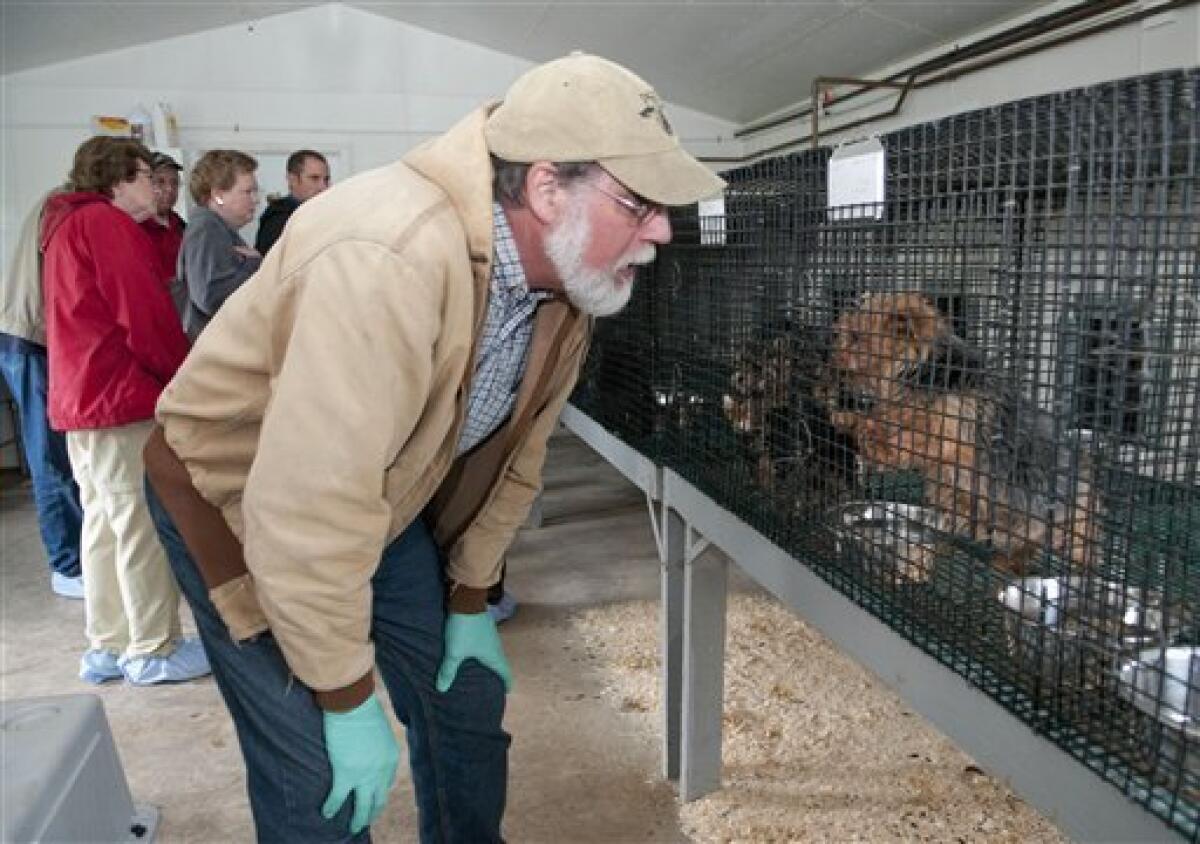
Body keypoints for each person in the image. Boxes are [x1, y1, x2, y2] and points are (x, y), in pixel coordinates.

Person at [143, 52, 724, 841]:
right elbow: (309, 508)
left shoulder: (567, 291)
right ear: (549, 188)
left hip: (380, 495)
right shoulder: (386, 255)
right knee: (319, 777)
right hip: (243, 500)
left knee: (467, 700)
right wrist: (347, 699)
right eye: (640, 204)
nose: (660, 231)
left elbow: (516, 460)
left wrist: (469, 596)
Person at [40, 136, 211, 686]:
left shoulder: (66, 225)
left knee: (104, 524)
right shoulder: (108, 225)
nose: (154, 187)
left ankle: (109, 642)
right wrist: (184, 377)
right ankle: (152, 647)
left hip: (83, 400)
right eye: (144, 175)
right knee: (139, 524)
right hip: (119, 397)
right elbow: (143, 316)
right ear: (116, 180)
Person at [0, 188, 85, 599]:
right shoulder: (65, 208)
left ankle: (74, 559)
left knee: (58, 455)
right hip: (32, 341)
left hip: (35, 337)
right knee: (50, 457)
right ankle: (66, 566)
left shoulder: (63, 205)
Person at [177, 149, 262, 340]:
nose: (256, 200)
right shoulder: (207, 227)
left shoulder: (216, 228)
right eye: (248, 192)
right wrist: (253, 265)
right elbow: (210, 296)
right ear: (218, 195)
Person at [254, 149, 330, 255]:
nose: (323, 187)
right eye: (314, 178)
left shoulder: (324, 214)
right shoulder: (278, 219)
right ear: (292, 180)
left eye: (326, 179)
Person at [140, 152, 187, 317]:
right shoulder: (135, 230)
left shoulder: (184, 228)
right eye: (160, 182)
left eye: (175, 183)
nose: (169, 189)